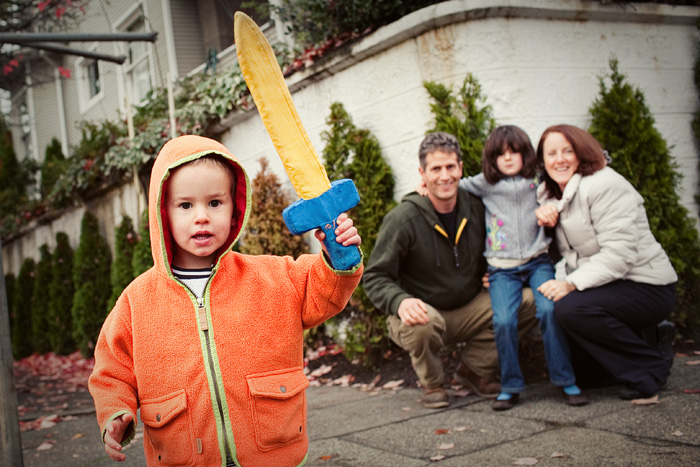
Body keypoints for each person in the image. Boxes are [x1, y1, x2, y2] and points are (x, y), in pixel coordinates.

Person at [88, 135, 363, 466]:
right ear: (164, 213)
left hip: (274, 452)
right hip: (184, 456)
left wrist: (339, 257)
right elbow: (112, 369)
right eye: (185, 205)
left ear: (235, 209)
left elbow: (321, 290)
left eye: (215, 203)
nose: (201, 216)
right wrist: (115, 412)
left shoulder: (272, 276)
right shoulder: (138, 299)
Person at [363, 131, 536, 409]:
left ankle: (474, 371)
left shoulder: (477, 206)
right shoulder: (403, 218)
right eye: (436, 169)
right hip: (423, 312)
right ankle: (432, 385)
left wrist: (494, 271)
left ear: (461, 168)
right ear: (422, 173)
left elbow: (505, 238)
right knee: (422, 322)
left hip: (469, 307)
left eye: (450, 167)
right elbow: (374, 276)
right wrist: (400, 301)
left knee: (527, 302)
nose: (444, 176)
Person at [439, 125, 586, 410]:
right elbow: (454, 183)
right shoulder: (485, 183)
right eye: (500, 154)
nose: (507, 158)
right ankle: (510, 385)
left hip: (537, 263)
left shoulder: (539, 180)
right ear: (491, 158)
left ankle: (566, 379)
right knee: (504, 321)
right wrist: (423, 186)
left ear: (525, 154)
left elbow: (570, 174)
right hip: (501, 269)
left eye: (514, 152)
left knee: (549, 310)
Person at [535, 124, 678, 400]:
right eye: (551, 153)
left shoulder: (604, 184)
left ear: (582, 153)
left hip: (646, 285)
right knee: (585, 376)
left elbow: (619, 256)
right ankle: (648, 343)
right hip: (608, 284)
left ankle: (650, 367)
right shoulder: (551, 195)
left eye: (568, 150)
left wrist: (570, 284)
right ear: (543, 160)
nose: (559, 159)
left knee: (571, 309)